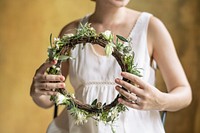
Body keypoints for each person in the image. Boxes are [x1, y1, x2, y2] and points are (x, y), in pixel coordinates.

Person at [30, 0, 192, 133]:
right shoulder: (71, 32)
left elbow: (184, 92)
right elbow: (48, 99)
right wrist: (38, 91)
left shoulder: (150, 27)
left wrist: (159, 101)